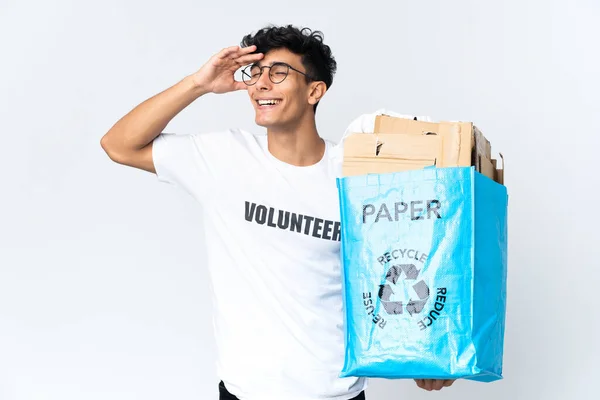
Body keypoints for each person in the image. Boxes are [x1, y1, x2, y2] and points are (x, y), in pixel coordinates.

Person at [100, 24, 454, 400]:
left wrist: (427, 352)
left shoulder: (355, 173)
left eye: (279, 72)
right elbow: (118, 145)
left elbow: (402, 262)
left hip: (337, 393)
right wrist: (198, 84)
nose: (261, 84)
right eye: (256, 72)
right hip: (247, 392)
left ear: (315, 91)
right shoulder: (224, 158)